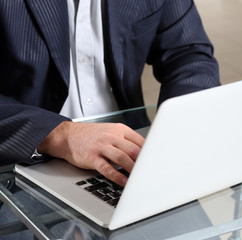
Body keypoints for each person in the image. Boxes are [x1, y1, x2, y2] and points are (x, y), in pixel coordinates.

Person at [0, 0, 220, 187]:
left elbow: (189, 53)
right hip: (22, 161)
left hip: (132, 151)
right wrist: (60, 135)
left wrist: (178, 130)